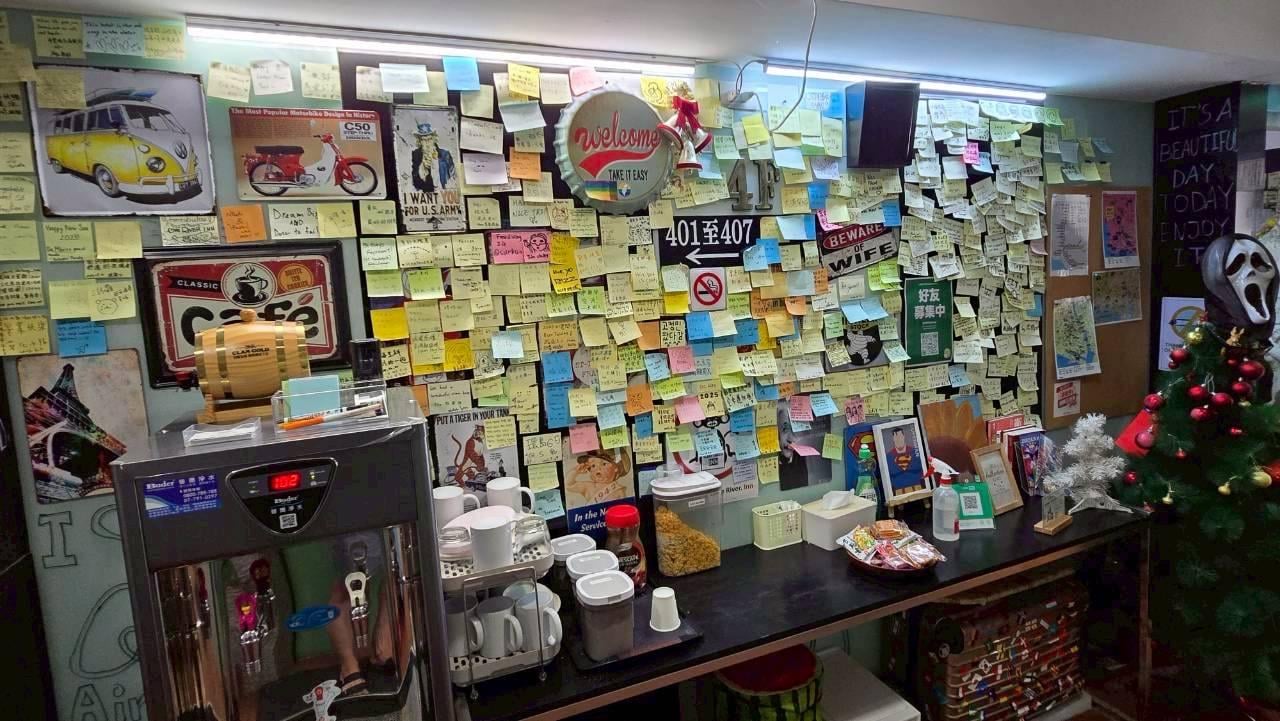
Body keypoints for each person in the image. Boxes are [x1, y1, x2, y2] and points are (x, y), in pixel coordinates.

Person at [565, 450, 629, 508]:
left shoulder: (618, 489)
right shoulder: (588, 487)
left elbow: (623, 508)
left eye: (604, 464)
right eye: (593, 466)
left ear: (616, 468)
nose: (598, 469)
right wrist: (575, 471)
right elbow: (569, 485)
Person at [886, 427, 926, 496]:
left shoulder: (915, 452)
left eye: (900, 437)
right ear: (893, 439)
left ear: (904, 437)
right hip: (898, 493)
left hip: (919, 490)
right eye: (896, 438)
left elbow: (923, 472)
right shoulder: (888, 457)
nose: (899, 440)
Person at [410, 123, 439, 193]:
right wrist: (421, 168)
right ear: (419, 142)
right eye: (424, 140)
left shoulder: (444, 154)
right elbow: (414, 179)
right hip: (424, 193)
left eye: (430, 139)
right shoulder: (415, 154)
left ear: (434, 139)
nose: (427, 143)